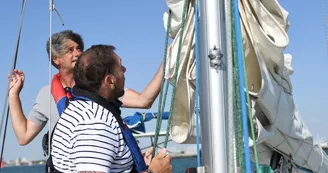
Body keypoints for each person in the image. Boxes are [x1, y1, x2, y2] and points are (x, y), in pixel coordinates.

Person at [8, 30, 163, 149]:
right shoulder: (45, 95)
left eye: (79, 48)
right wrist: (14, 95)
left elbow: (144, 100)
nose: (77, 53)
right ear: (56, 59)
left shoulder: (98, 82)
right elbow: (24, 136)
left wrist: (167, 63)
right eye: (70, 50)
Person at [50, 44, 172, 173]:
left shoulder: (83, 105)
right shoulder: (94, 122)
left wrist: (136, 166)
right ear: (109, 82)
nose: (124, 69)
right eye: (120, 67)